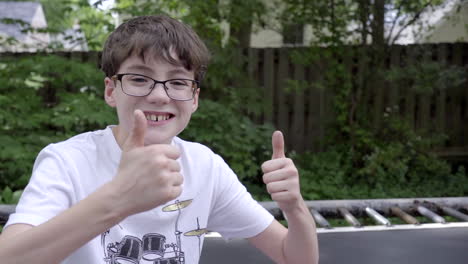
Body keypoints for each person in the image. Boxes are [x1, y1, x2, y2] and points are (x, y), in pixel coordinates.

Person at [0, 15, 318, 264]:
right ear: (111, 91)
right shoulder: (67, 161)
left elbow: (295, 257)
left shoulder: (205, 167)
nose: (158, 95)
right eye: (139, 78)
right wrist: (118, 199)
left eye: (178, 82)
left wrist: (294, 207)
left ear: (194, 99)